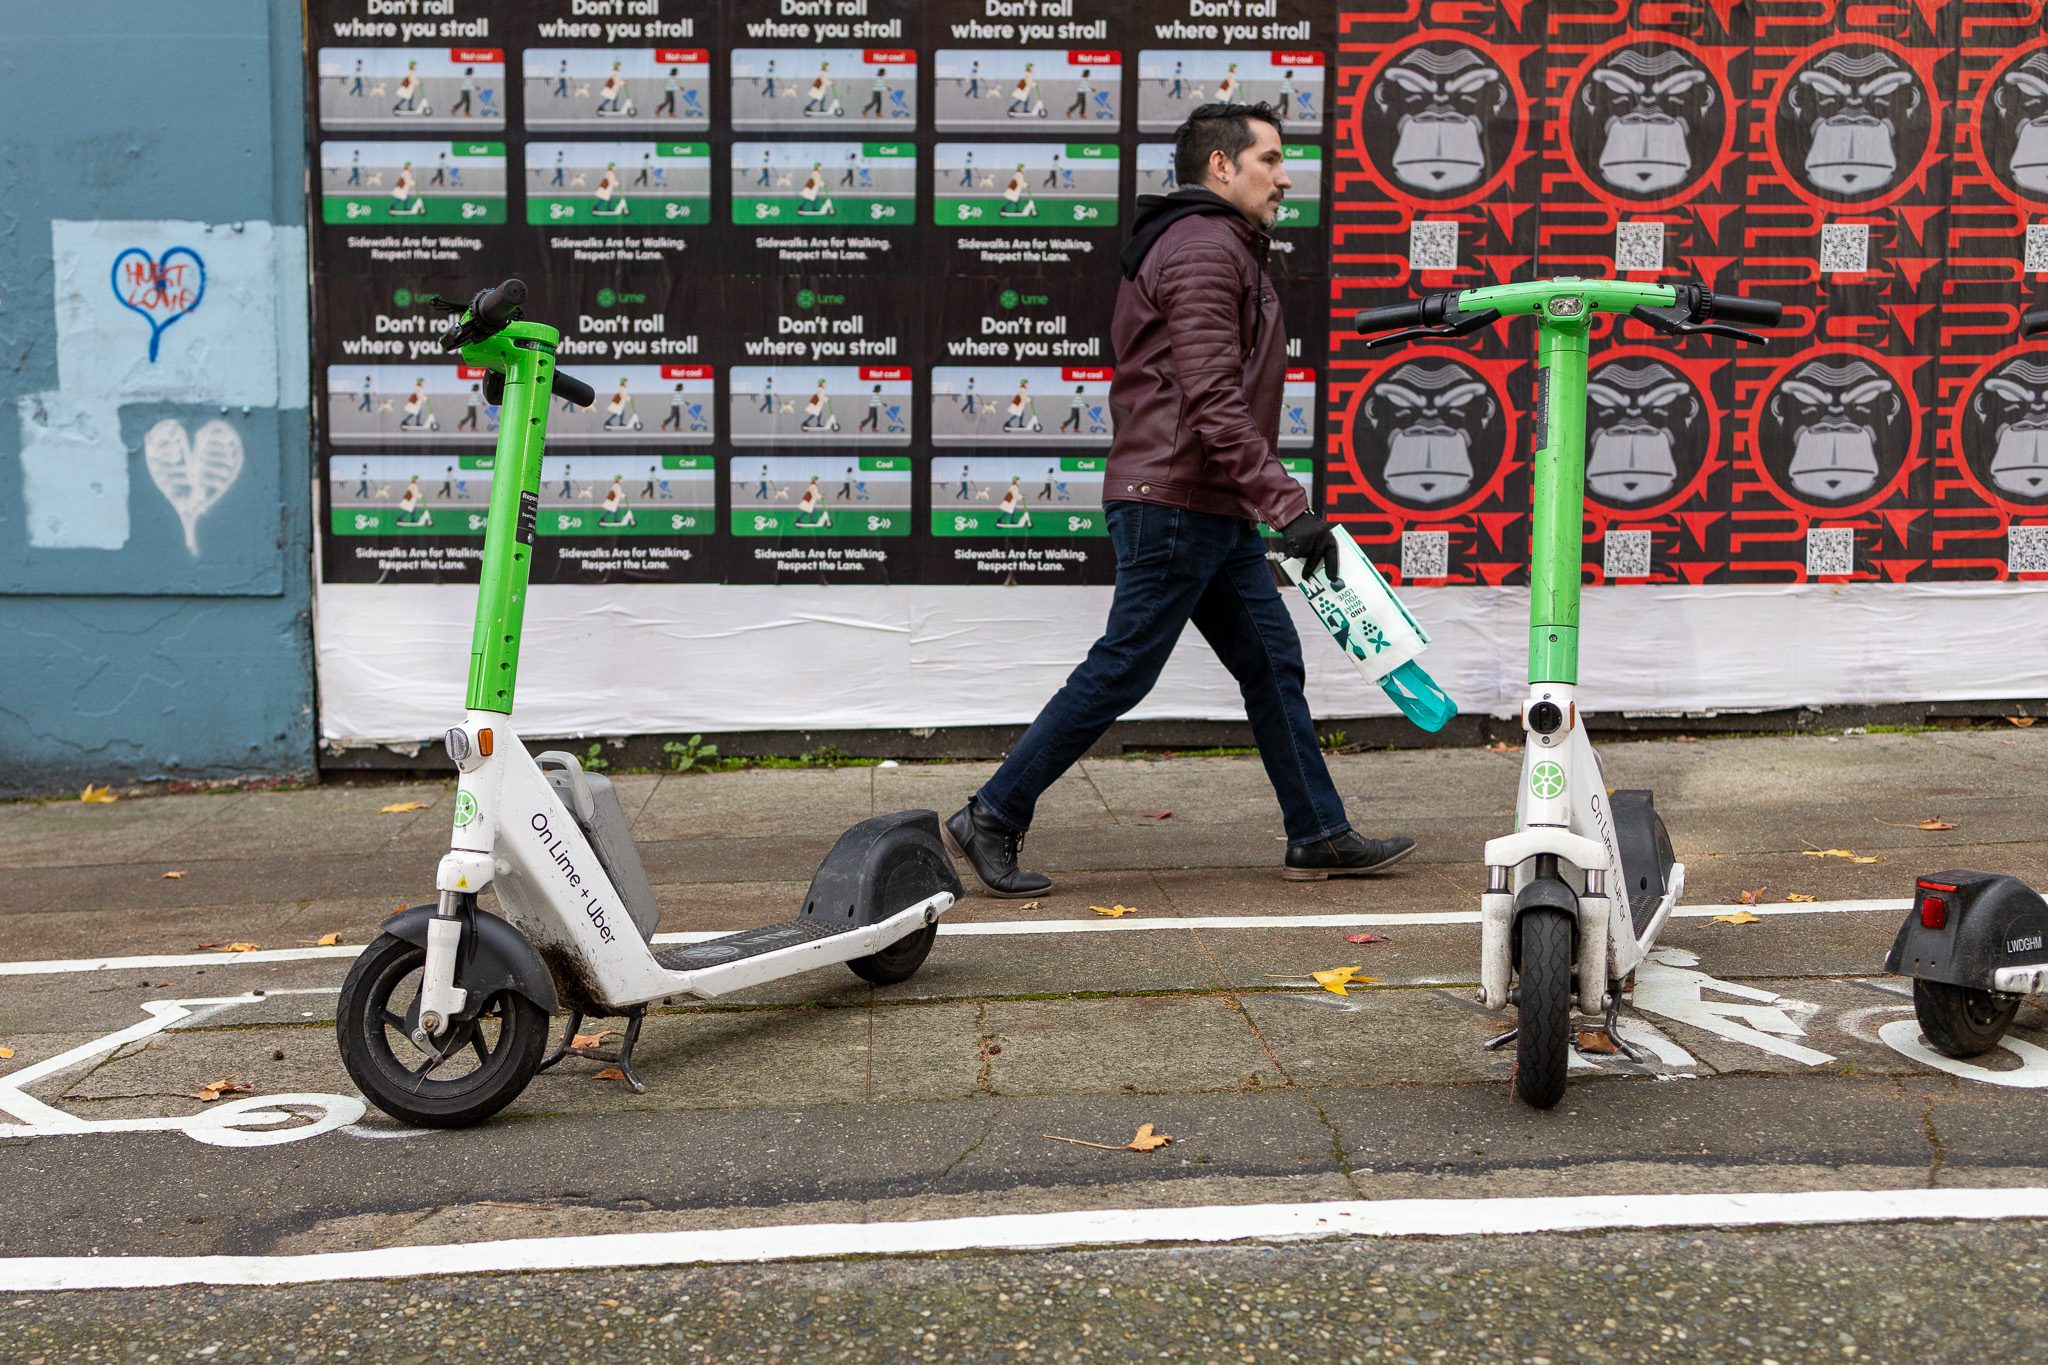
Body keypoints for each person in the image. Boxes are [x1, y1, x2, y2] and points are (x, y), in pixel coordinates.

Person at [943, 102, 1415, 897]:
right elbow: (1212, 398)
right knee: (1124, 666)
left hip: (1208, 501)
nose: (1287, 176)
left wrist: (1255, 502)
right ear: (1222, 167)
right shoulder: (1203, 246)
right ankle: (993, 811)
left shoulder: (1218, 242)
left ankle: (1318, 830)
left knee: (1271, 661)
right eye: (1270, 159)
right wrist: (1287, 507)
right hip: (1177, 499)